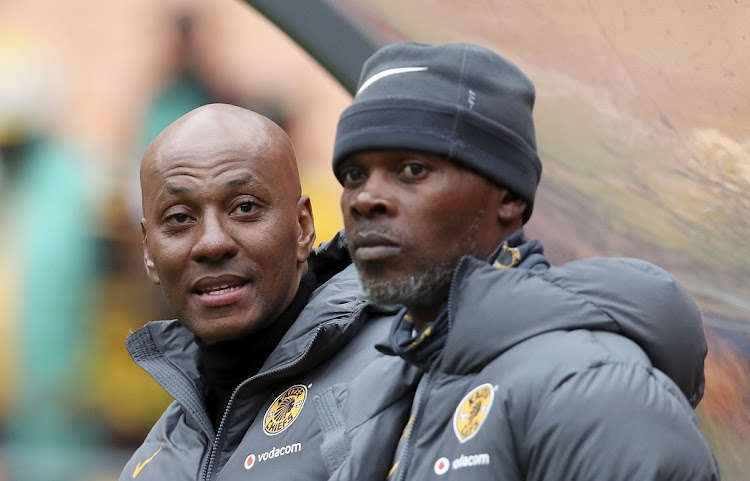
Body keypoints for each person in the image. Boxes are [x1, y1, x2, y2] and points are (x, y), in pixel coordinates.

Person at [324, 42, 720, 480]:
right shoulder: (386, 391)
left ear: (509, 196)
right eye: (353, 175)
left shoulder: (590, 386)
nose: (365, 199)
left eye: (412, 170)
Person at [120, 103, 416, 480]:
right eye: (180, 218)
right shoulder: (151, 464)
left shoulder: (397, 374)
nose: (212, 243)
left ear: (303, 227)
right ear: (149, 251)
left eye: (245, 208)